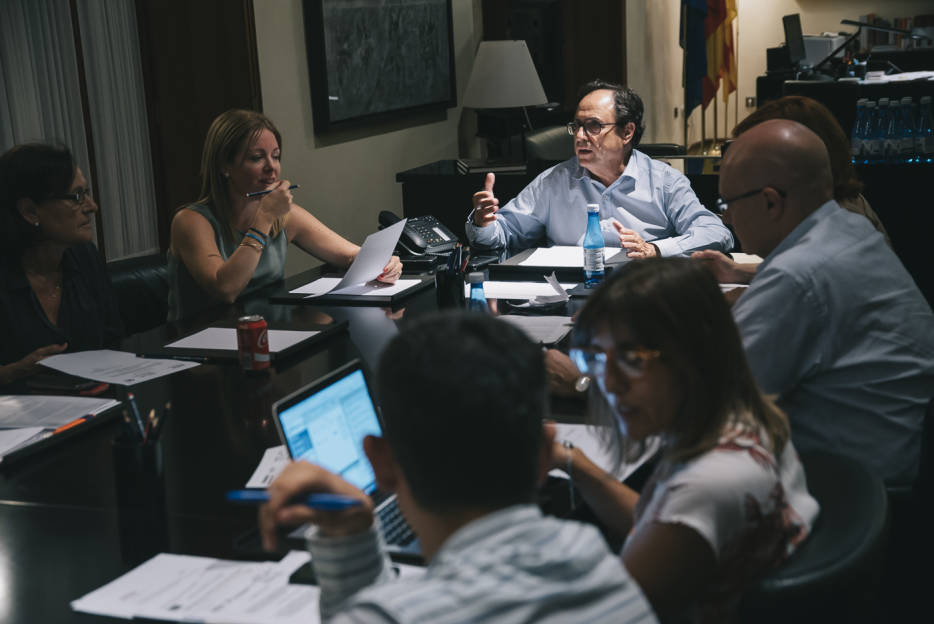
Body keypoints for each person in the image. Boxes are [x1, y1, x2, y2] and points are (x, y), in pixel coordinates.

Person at [259, 313, 656, 623]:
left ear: (381, 464)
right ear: (544, 452)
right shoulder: (601, 566)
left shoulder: (390, 615)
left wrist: (350, 548)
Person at [549, 257, 818, 623]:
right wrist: (566, 457)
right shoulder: (737, 418)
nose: (608, 384)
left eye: (632, 359)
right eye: (594, 358)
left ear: (693, 355)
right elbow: (655, 526)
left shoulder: (708, 487)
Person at [698, 119, 934, 485]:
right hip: (890, 464)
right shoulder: (849, 228)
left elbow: (715, 399)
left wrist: (590, 376)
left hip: (847, 494)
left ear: (771, 202)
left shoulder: (797, 277)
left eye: (726, 204)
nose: (725, 217)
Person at [168, 109, 402, 320]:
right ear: (224, 166)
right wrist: (264, 219)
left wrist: (384, 264)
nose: (272, 167)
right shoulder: (191, 222)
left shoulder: (285, 216)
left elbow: (350, 255)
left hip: (268, 334)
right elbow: (226, 289)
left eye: (276, 156)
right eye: (257, 158)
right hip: (204, 346)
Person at [466, 80, 733, 257]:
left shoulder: (664, 181)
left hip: (643, 294)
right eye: (577, 126)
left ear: (627, 132)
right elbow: (502, 235)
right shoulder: (554, 182)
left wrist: (654, 249)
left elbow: (717, 233)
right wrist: (483, 222)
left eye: (593, 126)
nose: (580, 136)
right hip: (569, 296)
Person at [0, 143, 122, 384]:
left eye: (87, 193)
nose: (92, 207)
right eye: (77, 196)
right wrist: (11, 373)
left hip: (94, 406)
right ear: (30, 211)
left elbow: (114, 339)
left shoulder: (85, 257)